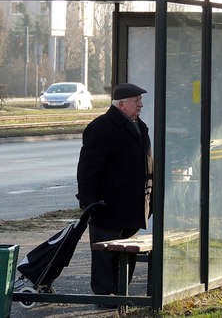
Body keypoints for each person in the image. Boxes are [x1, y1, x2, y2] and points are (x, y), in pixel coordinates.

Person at [76, 82, 153, 296]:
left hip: (134, 206)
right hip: (107, 207)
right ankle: (104, 296)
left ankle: (121, 294)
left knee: (127, 254)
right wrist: (89, 202)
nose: (141, 105)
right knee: (104, 255)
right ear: (121, 104)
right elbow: (88, 170)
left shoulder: (139, 125)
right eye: (136, 101)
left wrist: (150, 196)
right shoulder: (101, 128)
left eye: (140, 100)